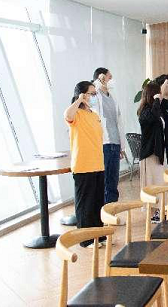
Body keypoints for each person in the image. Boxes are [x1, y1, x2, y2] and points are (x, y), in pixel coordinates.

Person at [64, 81, 105, 247]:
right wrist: (79, 100)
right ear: (82, 95)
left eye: (95, 94)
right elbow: (67, 115)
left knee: (97, 203)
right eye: (91, 93)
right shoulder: (76, 114)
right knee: (85, 205)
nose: (94, 96)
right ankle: (86, 239)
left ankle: (98, 235)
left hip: (98, 164)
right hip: (83, 165)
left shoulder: (94, 115)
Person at [92, 67, 126, 204]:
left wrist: (122, 147)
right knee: (104, 179)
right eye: (109, 77)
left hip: (115, 143)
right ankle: (102, 210)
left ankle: (112, 209)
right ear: (101, 78)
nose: (112, 79)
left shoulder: (112, 96)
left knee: (113, 180)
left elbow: (119, 121)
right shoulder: (95, 95)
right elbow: (91, 99)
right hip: (104, 143)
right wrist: (97, 82)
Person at [138, 81, 166, 223]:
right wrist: (156, 100)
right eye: (158, 93)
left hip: (158, 152)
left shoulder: (155, 109)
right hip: (149, 153)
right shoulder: (145, 111)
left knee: (159, 182)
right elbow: (152, 117)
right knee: (151, 183)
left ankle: (159, 210)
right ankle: (152, 213)